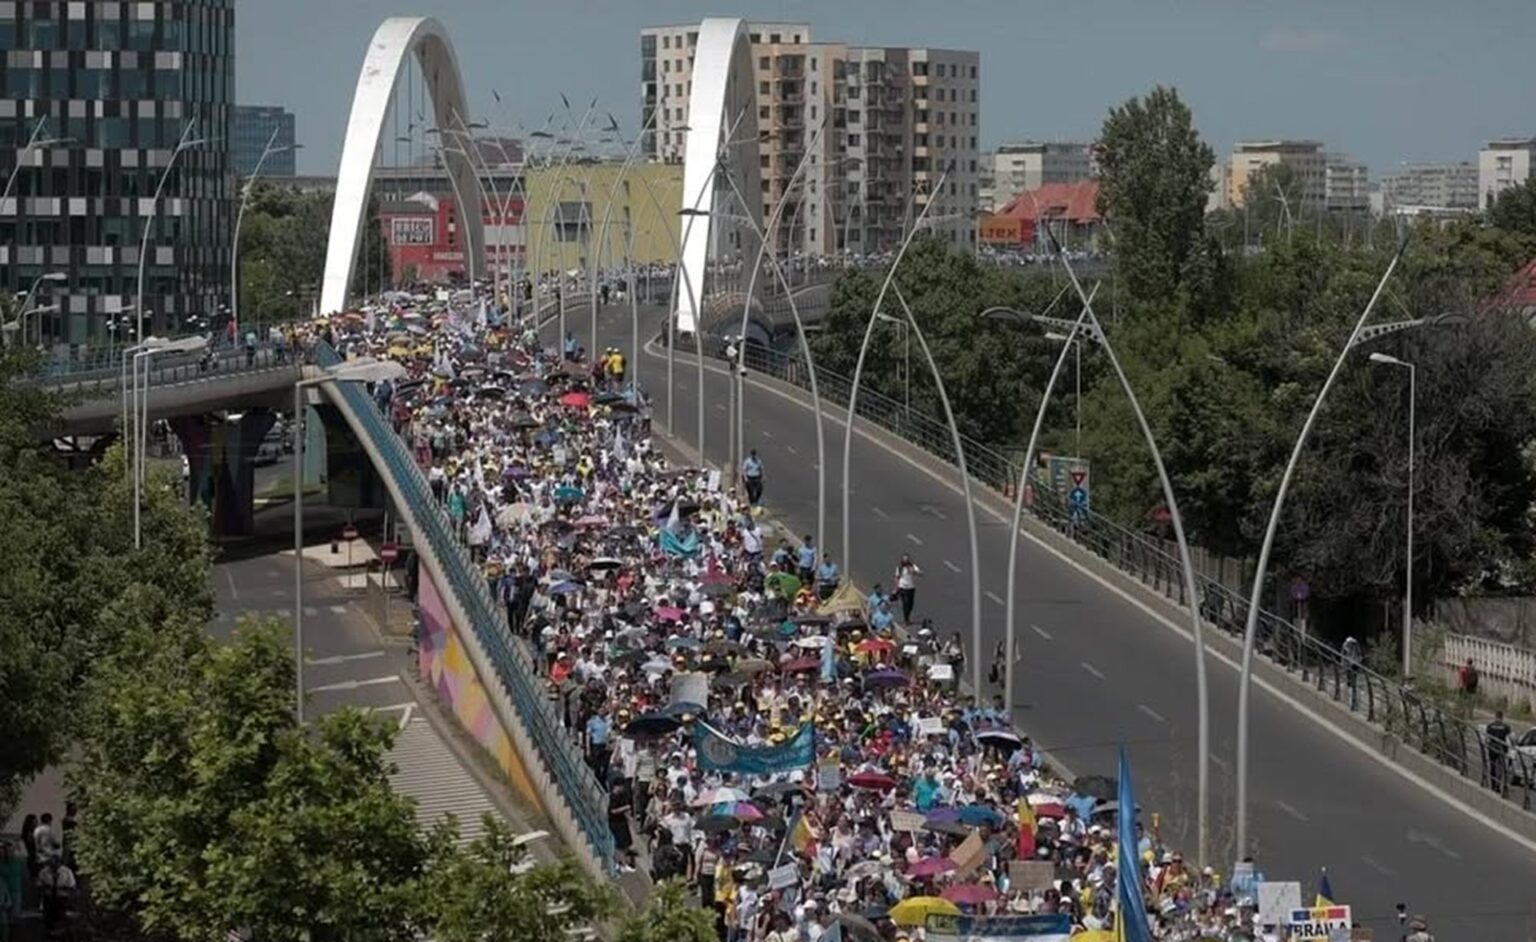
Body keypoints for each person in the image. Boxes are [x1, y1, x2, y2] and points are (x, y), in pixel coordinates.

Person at [35, 854, 74, 938]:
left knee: (61, 916)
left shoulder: (67, 871)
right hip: (48, 897)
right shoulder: (44, 872)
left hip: (62, 897)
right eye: (51, 864)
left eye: (56, 864)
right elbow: (38, 885)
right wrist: (45, 887)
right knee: (48, 917)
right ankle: (49, 933)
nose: (53, 866)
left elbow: (72, 885)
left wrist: (64, 888)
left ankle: (61, 933)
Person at [1487, 709, 1513, 796]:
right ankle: (1498, 785)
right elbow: (1510, 738)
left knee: (1493, 766)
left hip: (1492, 749)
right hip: (1501, 750)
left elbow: (1487, 738)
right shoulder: (1506, 727)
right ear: (1502, 717)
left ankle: (1493, 784)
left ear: (1495, 716)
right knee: (1500, 768)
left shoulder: (1490, 726)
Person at [895, 553, 922, 623]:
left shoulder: (912, 566)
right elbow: (897, 577)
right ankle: (906, 619)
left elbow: (921, 573)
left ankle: (907, 616)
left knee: (910, 604)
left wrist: (914, 571)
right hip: (902, 587)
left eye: (907, 559)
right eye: (904, 559)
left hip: (911, 587)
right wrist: (896, 588)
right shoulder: (899, 568)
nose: (905, 561)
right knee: (905, 603)